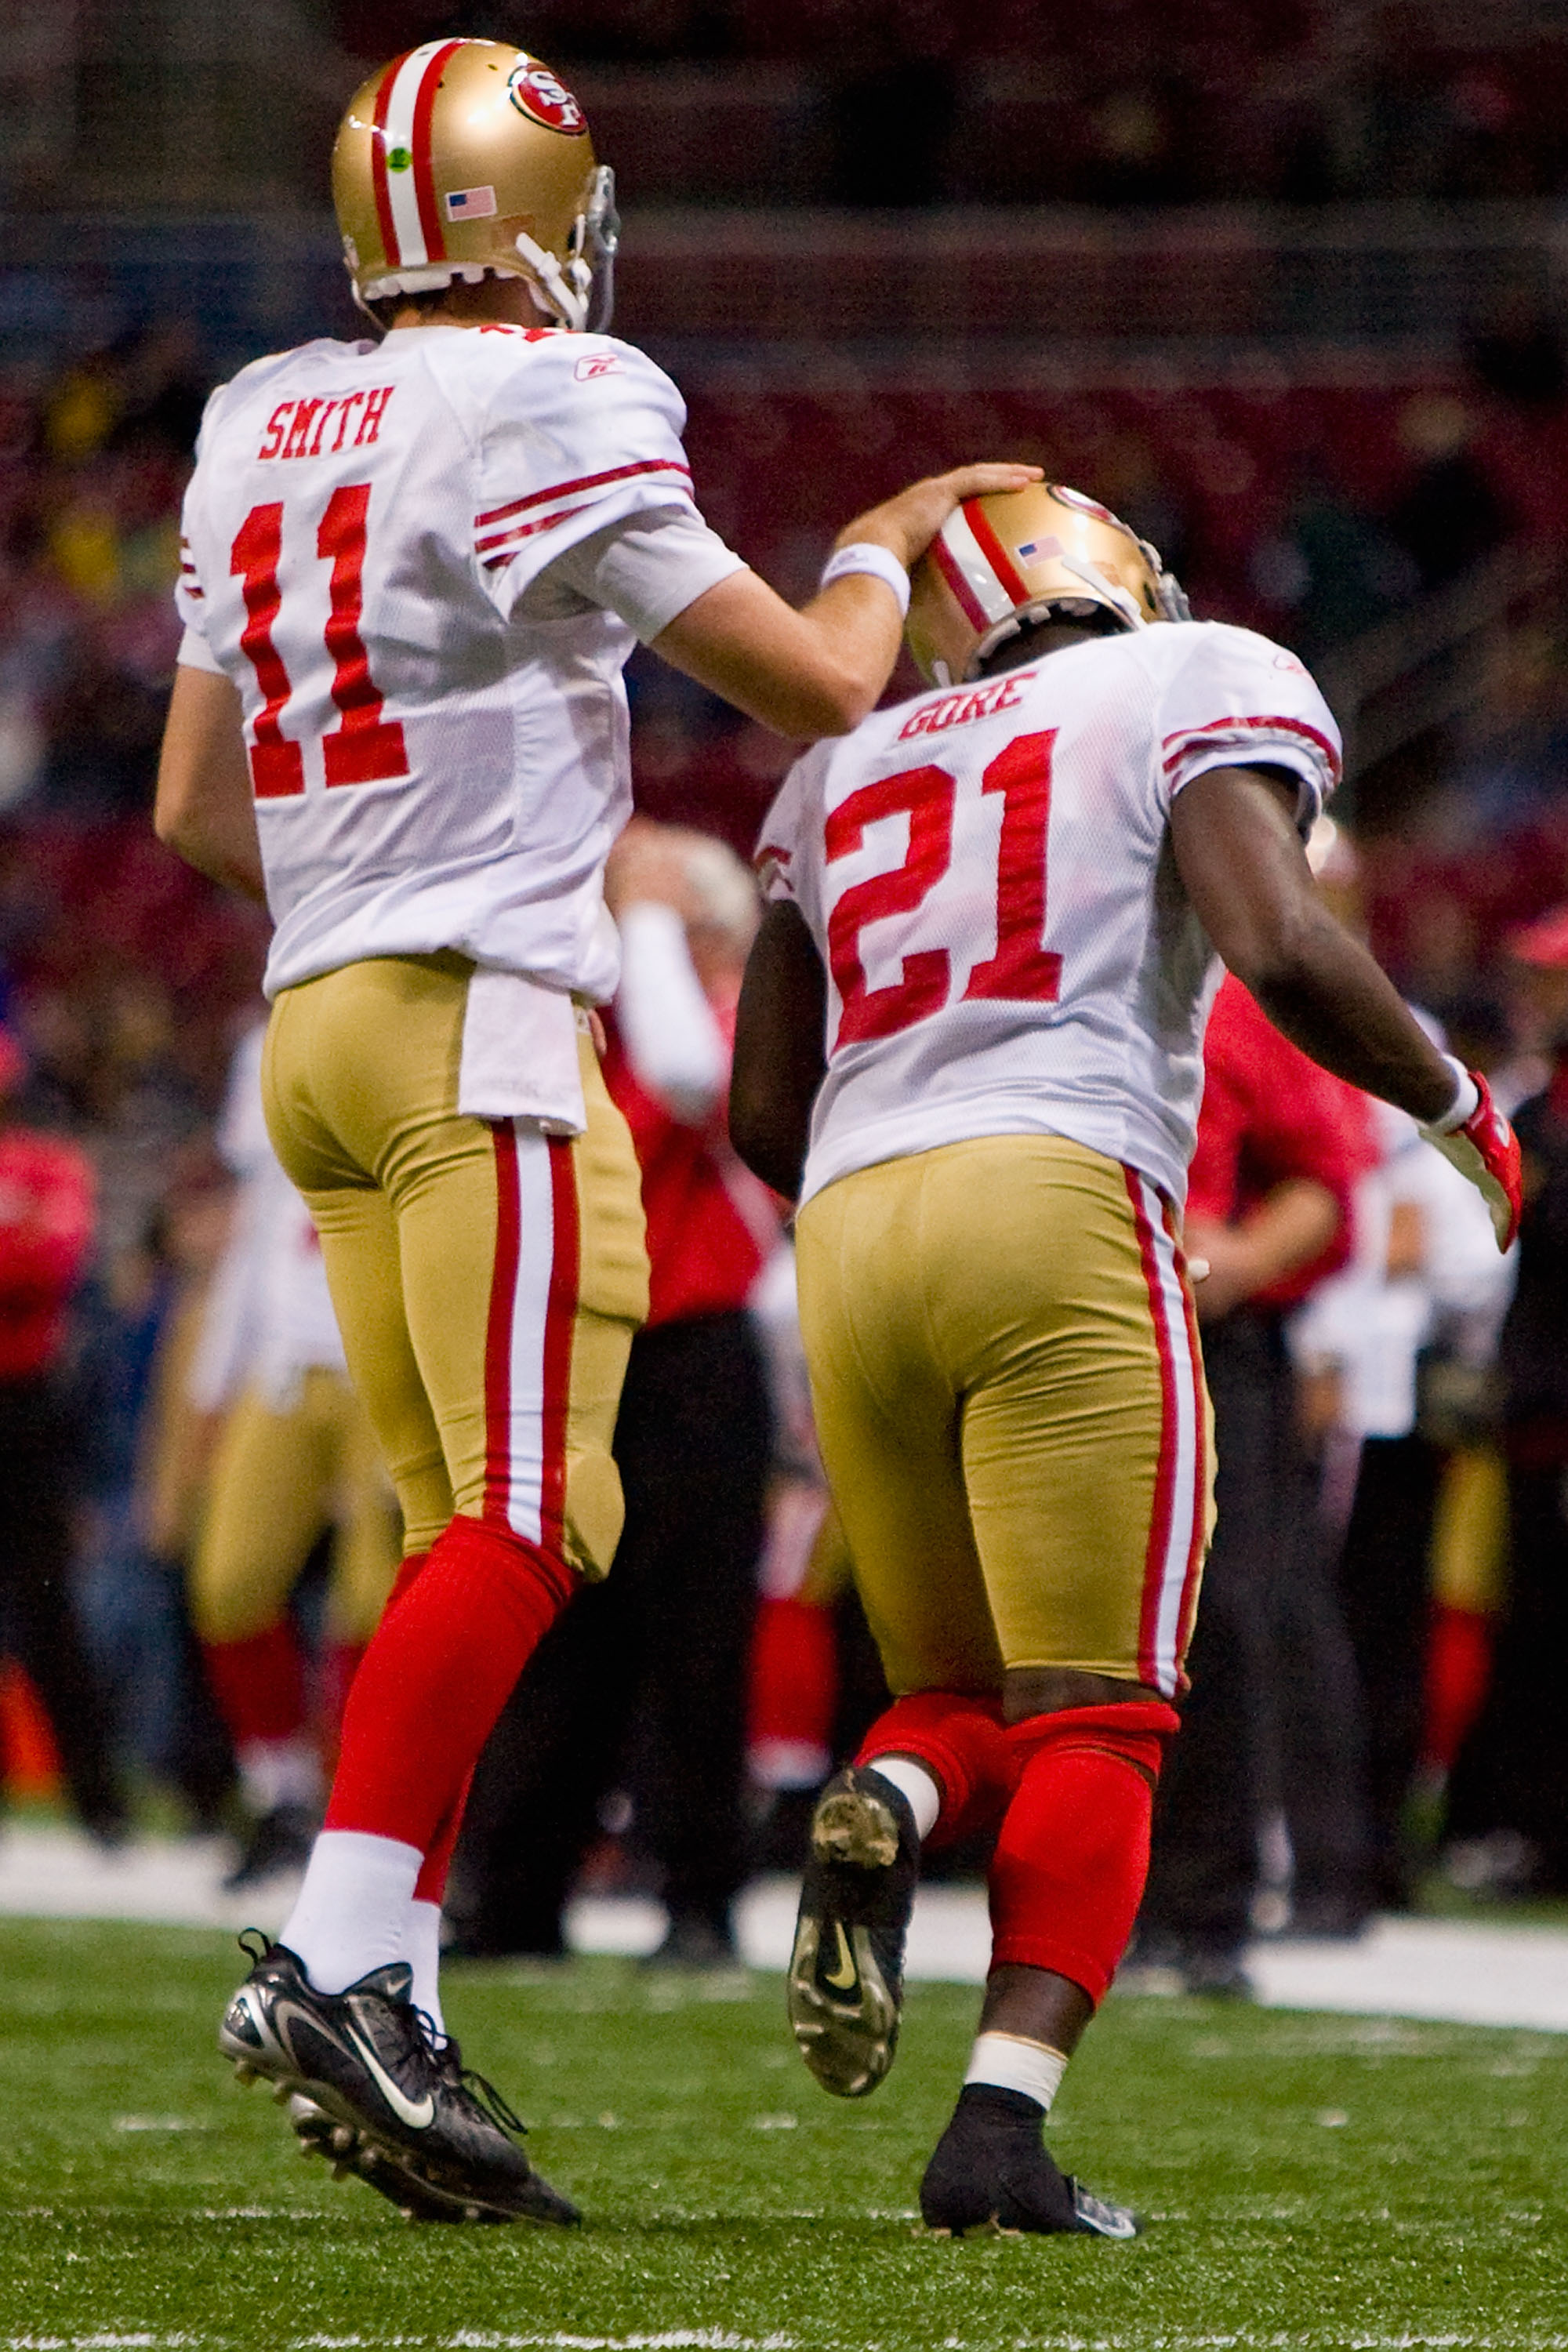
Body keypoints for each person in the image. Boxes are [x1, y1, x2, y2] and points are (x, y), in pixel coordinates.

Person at [154, 31, 1037, 2227]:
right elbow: (831, 688)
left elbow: (188, 807)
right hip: (475, 1030)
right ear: (520, 205)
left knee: (474, 1525)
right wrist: (875, 540)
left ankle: (397, 1970)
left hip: (318, 1029)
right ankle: (351, 1960)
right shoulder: (548, 393)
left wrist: (372, 899)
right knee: (539, 1520)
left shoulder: (253, 413)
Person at [728, 480, 1521, 2237]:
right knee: (1103, 1705)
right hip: (1059, 1184)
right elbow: (1278, 939)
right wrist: (1460, 1110)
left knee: (959, 1687)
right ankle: (998, 2133)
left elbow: (762, 1110)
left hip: (852, 1228)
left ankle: (891, 1787)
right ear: (1111, 577)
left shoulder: (832, 768)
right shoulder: (1189, 675)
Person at [448, 821, 777, 1966]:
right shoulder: (591, 1034)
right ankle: (519, 1887)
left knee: (695, 1635)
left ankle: (699, 1897)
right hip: (582, 1344)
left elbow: (695, 1077)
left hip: (696, 1348)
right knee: (556, 1628)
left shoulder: (732, 1014)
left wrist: (647, 916)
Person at [187, 1022, 399, 1889]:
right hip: (283, 1359)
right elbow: (260, 1222)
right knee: (229, 1585)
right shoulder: (269, 1032)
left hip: (386, 1359)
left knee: (373, 1607)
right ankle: (278, 1794)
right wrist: (214, 1379)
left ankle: (362, 1818)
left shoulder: (420, 998)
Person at [0, 1022, 129, 1843]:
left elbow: (51, 1266)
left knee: (49, 1610)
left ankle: (99, 1798)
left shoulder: (49, 1162)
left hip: (26, 1406)